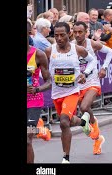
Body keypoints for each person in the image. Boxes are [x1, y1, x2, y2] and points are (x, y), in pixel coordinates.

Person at [45, 22, 96, 163]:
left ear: (69, 34)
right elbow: (42, 67)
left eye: (62, 35)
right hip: (56, 93)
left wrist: (84, 73)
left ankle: (65, 157)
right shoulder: (49, 51)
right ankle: (82, 122)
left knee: (63, 122)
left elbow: (92, 61)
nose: (59, 38)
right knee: (67, 121)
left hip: (72, 92)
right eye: (56, 35)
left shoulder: (77, 49)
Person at [72, 21, 112, 155]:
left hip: (92, 81)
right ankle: (97, 138)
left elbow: (110, 52)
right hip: (77, 83)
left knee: (84, 108)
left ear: (86, 32)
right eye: (75, 32)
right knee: (85, 110)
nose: (78, 35)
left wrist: (104, 67)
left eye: (80, 32)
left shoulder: (92, 44)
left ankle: (93, 125)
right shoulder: (70, 46)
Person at [27, 21, 52, 163]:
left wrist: (37, 89)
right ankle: (40, 130)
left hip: (33, 101)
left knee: (27, 140)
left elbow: (49, 82)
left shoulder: (38, 55)